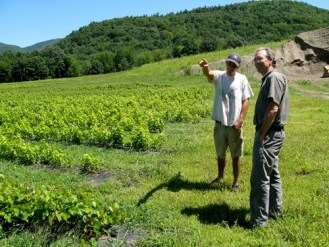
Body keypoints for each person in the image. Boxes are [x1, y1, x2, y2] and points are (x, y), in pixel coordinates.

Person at [247, 47, 290, 228]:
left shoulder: (274, 78)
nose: (257, 62)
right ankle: (274, 211)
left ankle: (258, 222)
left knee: (260, 178)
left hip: (269, 134)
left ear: (270, 59)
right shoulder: (269, 78)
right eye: (255, 60)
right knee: (272, 174)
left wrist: (262, 134)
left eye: (260, 59)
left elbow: (273, 108)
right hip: (272, 133)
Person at [199, 53, 254, 191]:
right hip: (220, 124)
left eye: (233, 65)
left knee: (236, 155)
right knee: (220, 154)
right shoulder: (219, 76)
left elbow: (246, 100)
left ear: (237, 66)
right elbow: (209, 74)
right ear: (226, 63)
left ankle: (235, 183)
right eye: (228, 63)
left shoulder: (242, 79)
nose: (230, 67)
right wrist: (205, 68)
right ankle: (220, 177)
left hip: (234, 125)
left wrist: (240, 120)